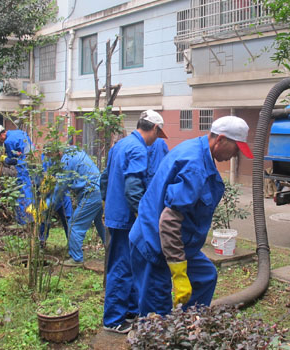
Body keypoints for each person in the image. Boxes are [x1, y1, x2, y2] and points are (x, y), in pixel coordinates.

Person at [129, 115, 254, 317]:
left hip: (178, 243)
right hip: (153, 242)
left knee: (205, 276)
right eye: (236, 148)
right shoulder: (194, 166)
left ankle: (186, 324)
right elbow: (169, 223)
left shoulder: (199, 149)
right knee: (156, 312)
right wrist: (178, 273)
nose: (236, 155)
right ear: (220, 139)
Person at [100, 109, 167, 334]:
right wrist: (144, 216)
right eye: (159, 134)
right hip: (125, 219)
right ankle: (113, 320)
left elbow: (105, 178)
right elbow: (133, 189)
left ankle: (129, 310)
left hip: (115, 214)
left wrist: (106, 203)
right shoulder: (139, 149)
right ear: (155, 129)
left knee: (125, 264)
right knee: (121, 267)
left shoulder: (120, 145)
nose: (157, 140)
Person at [50, 147, 105, 267]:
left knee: (74, 224)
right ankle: (112, 251)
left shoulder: (67, 160)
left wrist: (50, 205)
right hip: (99, 189)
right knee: (100, 223)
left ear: (57, 153)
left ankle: (76, 259)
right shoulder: (76, 152)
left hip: (90, 192)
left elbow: (61, 187)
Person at [0, 124, 34, 225]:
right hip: (32, 164)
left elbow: (13, 160)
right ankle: (33, 218)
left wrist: (5, 159)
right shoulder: (18, 132)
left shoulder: (8, 141)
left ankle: (24, 220)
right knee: (31, 191)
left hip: (23, 168)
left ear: (2, 134)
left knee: (23, 192)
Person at [38, 153, 73, 246]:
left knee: (68, 219)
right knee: (44, 219)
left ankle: (73, 245)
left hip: (62, 194)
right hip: (48, 194)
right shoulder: (43, 160)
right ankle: (42, 242)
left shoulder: (63, 160)